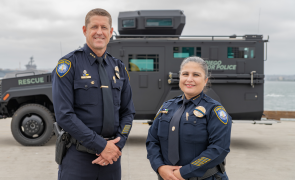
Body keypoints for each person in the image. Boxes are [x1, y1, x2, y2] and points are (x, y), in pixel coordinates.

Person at [52, 8, 135, 180]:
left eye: (104, 27)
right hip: (78, 159)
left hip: (111, 160)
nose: (99, 32)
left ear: (111, 32)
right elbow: (64, 115)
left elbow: (128, 111)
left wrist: (118, 145)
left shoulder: (118, 67)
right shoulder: (69, 65)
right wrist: (101, 145)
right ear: (85, 30)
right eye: (94, 27)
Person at [146, 57, 232, 180]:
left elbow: (218, 149)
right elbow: (152, 140)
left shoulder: (214, 110)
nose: (189, 79)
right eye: (185, 74)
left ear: (205, 80)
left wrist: (184, 172)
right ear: (180, 77)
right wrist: (160, 167)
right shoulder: (167, 107)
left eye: (196, 75)